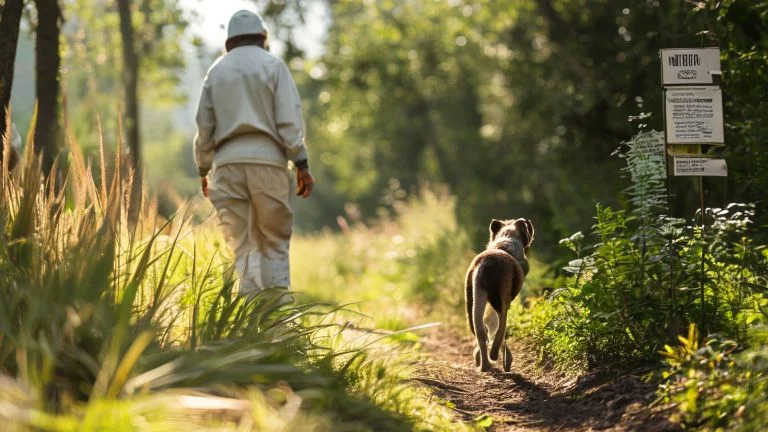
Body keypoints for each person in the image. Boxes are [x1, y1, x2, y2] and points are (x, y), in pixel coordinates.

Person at [193, 9, 315, 295]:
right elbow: (289, 121)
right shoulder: (274, 66)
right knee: (274, 241)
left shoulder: (216, 71)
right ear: (262, 37)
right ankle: (276, 313)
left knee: (242, 246)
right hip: (268, 163)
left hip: (227, 166)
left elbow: (204, 127)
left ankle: (249, 315)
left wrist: (203, 169)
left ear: (229, 41)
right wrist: (301, 163)